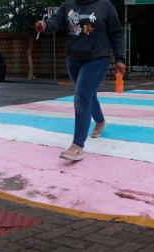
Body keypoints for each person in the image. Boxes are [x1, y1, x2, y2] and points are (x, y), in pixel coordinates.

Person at [35, 0, 125, 161]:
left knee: (81, 97)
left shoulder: (105, 6)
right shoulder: (68, 4)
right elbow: (56, 20)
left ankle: (77, 146)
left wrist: (120, 58)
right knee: (89, 95)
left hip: (97, 59)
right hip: (74, 59)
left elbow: (116, 33)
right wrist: (45, 25)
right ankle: (100, 122)